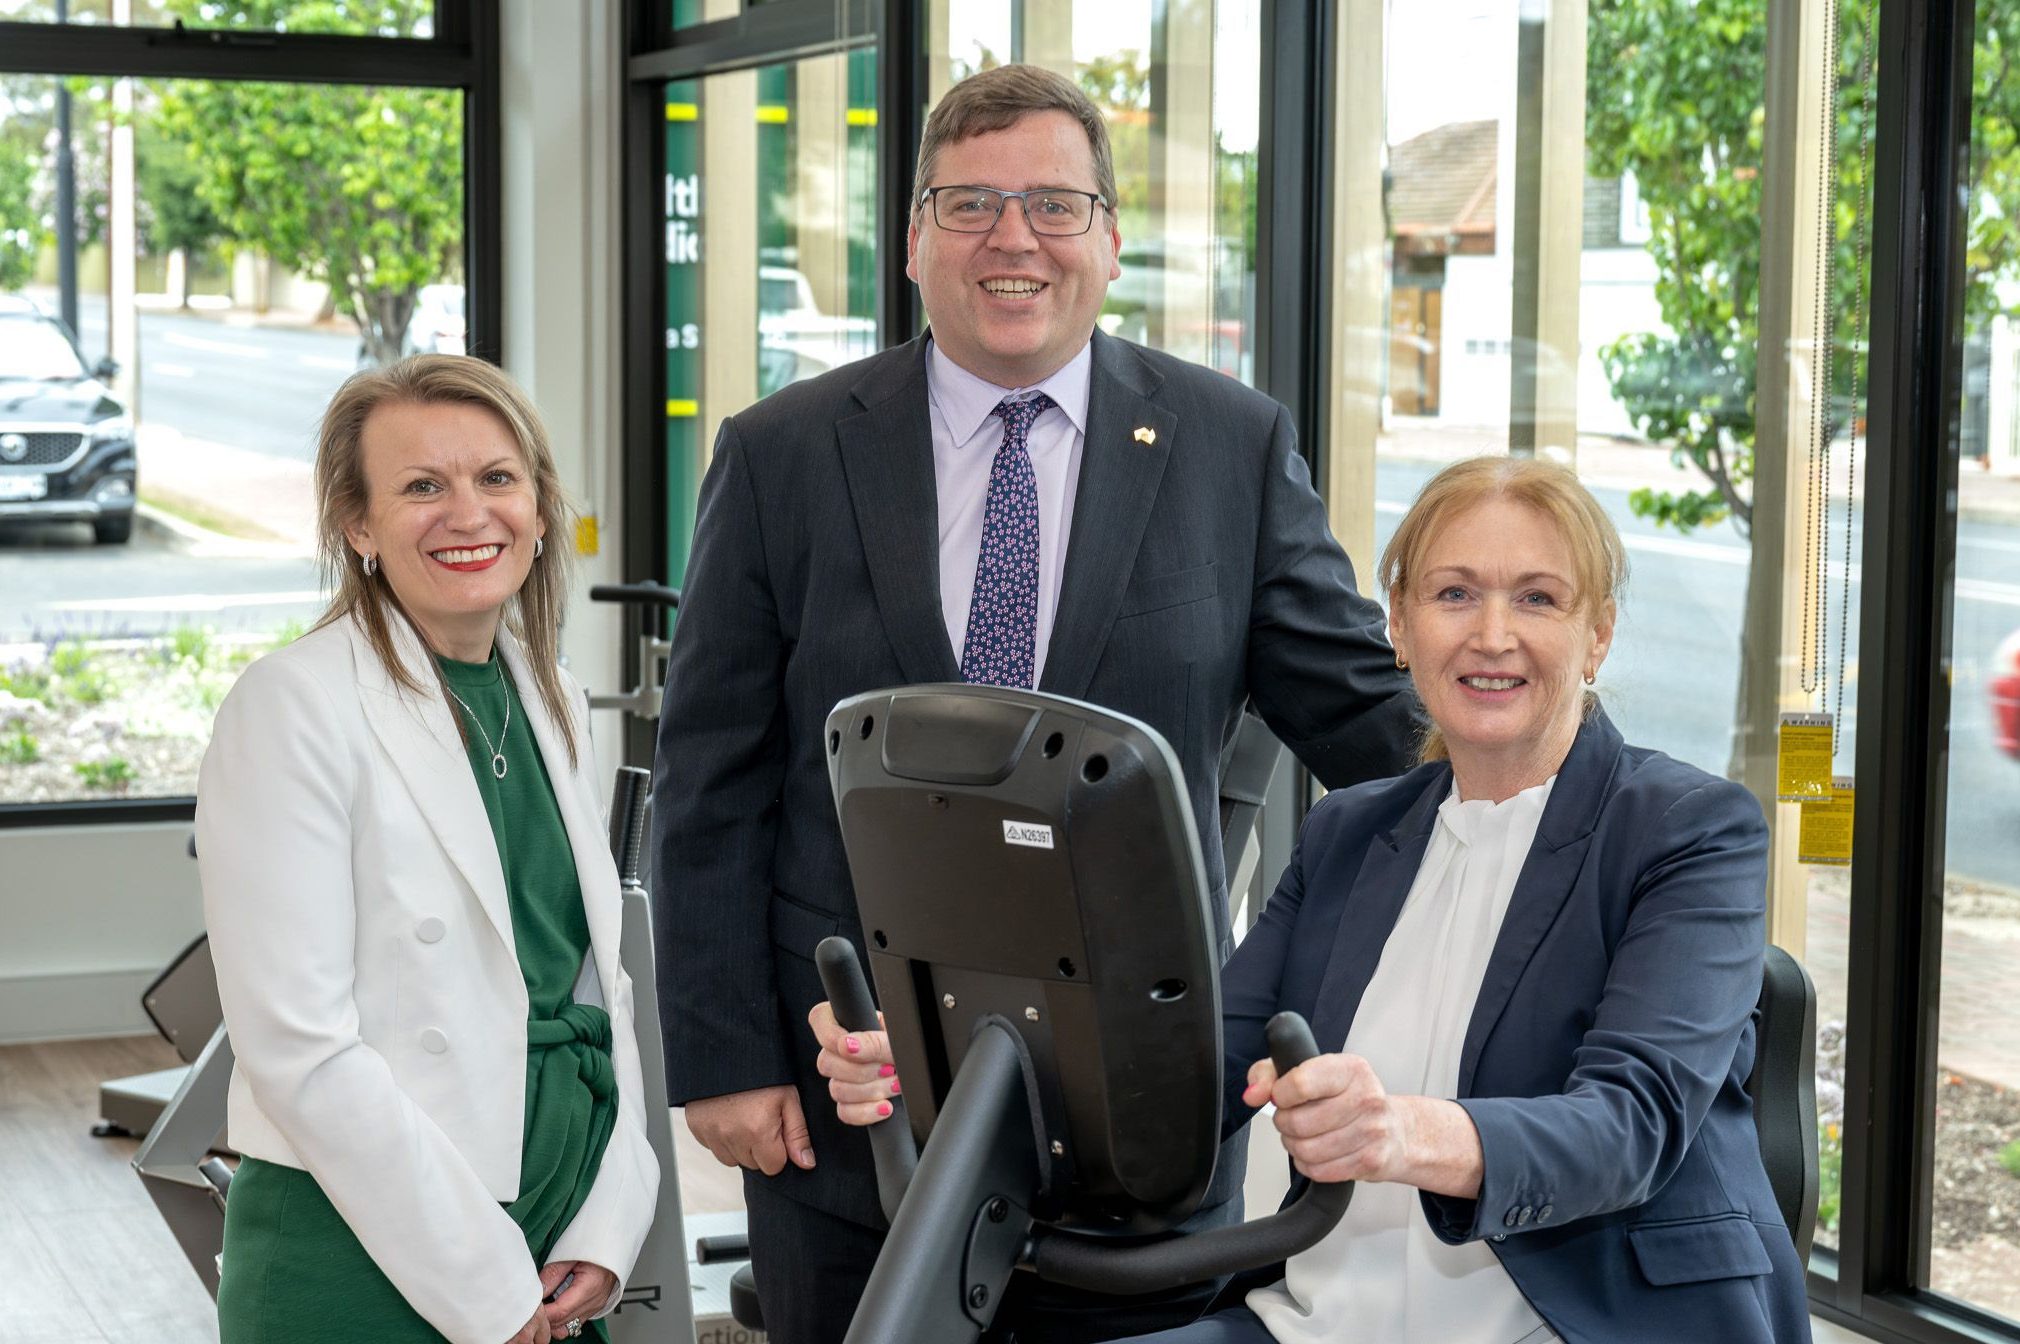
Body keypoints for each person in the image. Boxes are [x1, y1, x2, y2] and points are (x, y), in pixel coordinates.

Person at [651, 61, 1420, 1344]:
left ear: (1110, 242)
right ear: (911, 241)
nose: (1014, 240)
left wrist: (1570, 790)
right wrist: (724, 1057)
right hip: (856, 1101)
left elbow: (1367, 734)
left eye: (1056, 205)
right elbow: (710, 779)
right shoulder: (782, 452)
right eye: (969, 204)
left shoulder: (1226, 446)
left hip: (1138, 1109)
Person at [815, 456, 1812, 1343]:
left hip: (1573, 1317)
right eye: (1454, 593)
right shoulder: (1350, 832)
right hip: (1319, 1317)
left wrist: (1404, 1132)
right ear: (1400, 626)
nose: (1493, 635)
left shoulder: (1690, 830)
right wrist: (932, 1071)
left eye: (1539, 599)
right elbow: (1182, 1074)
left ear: (1595, 636)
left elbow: (1628, 1127)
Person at [196, 356, 659, 1344]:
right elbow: (300, 1048)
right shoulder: (294, 705)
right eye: (421, 486)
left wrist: (608, 1220)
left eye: (497, 478)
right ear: (357, 524)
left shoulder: (551, 696)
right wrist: (480, 1281)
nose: (469, 513)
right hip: (367, 1248)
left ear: (538, 509)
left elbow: (591, 993)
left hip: (557, 1237)